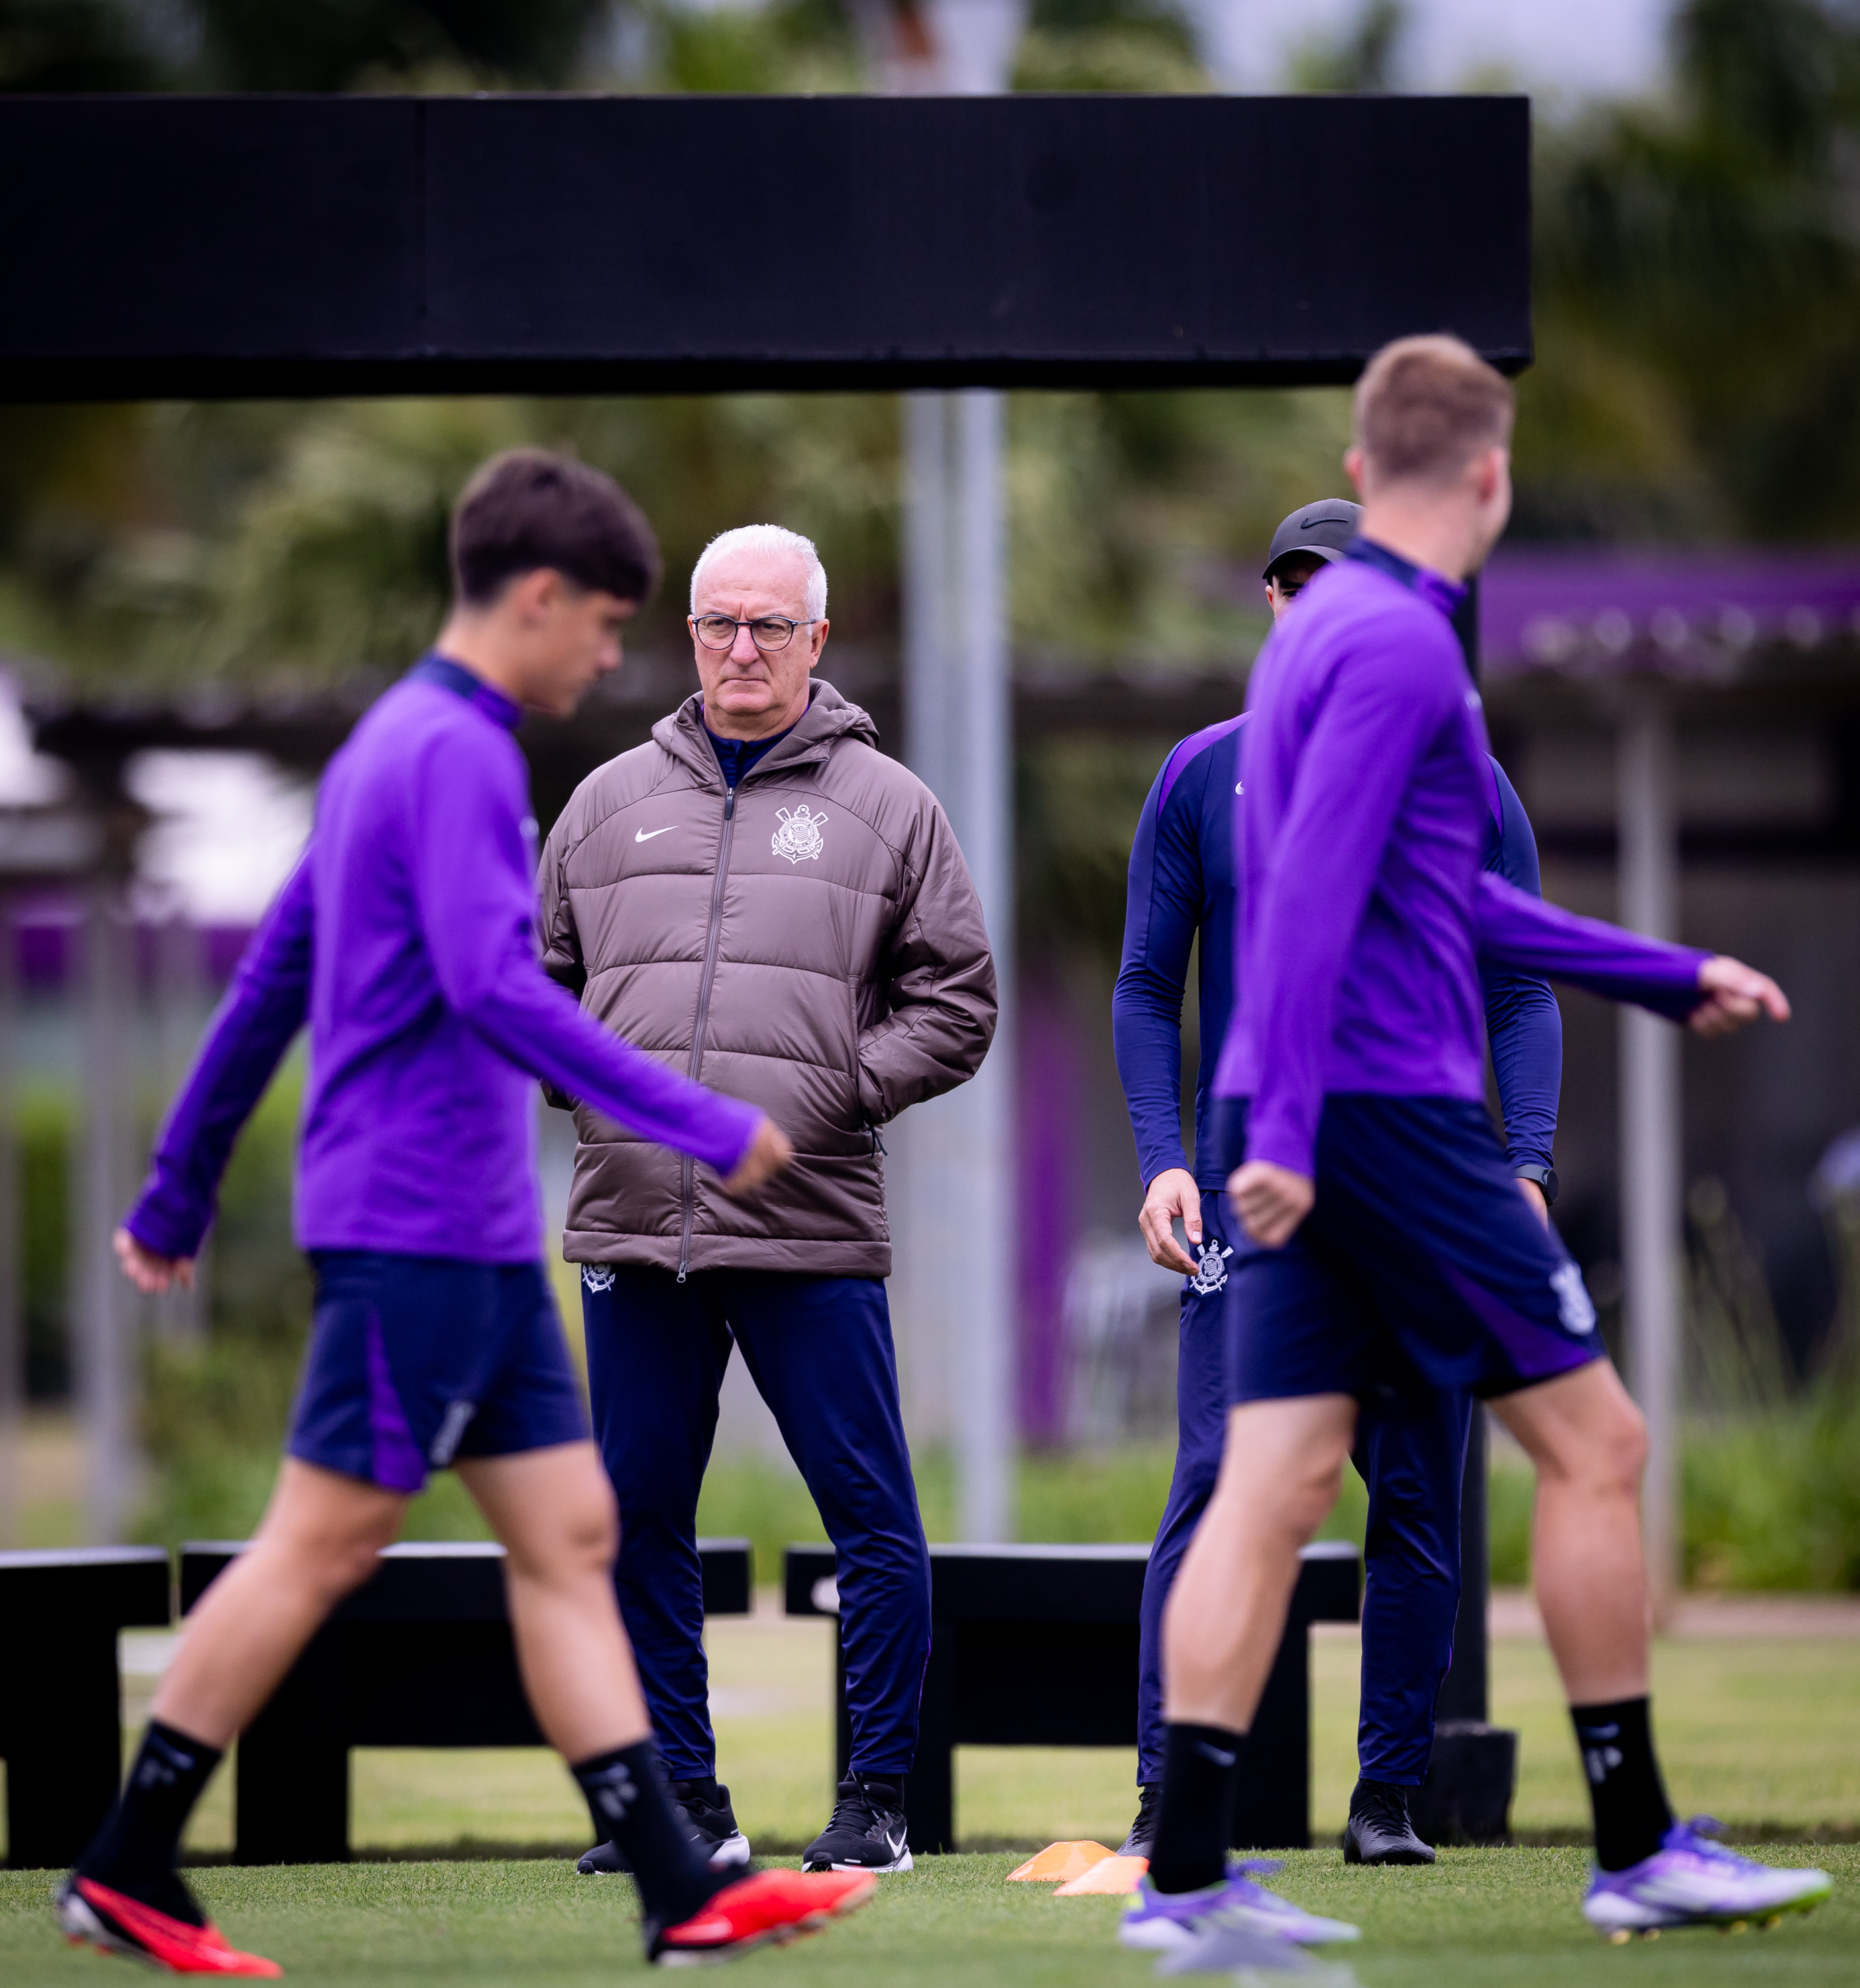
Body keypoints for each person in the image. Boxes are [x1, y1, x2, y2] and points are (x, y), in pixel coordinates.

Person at [65, 452, 876, 1974]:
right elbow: (495, 990)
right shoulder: (450, 757)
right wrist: (702, 1118)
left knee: (571, 1539)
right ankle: (125, 1860)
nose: (616, 656)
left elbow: (273, 979)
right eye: (613, 623)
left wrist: (178, 1185)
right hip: (414, 1229)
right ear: (541, 597)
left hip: (481, 1242)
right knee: (322, 1541)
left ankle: (673, 1887)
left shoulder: (393, 747)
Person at [1121, 336, 1833, 1952]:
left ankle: (1183, 1877)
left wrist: (1658, 973)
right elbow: (1303, 900)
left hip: (1296, 1110)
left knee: (1274, 1479)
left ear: (1368, 475)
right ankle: (1640, 1841)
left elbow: (1437, 891)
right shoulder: (1400, 648)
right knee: (1602, 1451)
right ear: (1495, 478)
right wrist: (1298, 1125)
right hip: (1381, 1116)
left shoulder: (1305, 654)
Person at [539, 523, 995, 1879]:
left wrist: (839, 1091)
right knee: (635, 1524)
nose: (744, 649)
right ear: (689, 636)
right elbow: (536, 985)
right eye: (720, 624)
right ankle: (682, 1804)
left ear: (818, 639)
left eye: (771, 628)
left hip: (809, 1220)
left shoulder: (890, 807)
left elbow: (958, 1001)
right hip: (632, 1221)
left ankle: (874, 1808)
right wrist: (601, 1097)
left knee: (873, 1521)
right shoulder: (605, 801)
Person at [1113, 494, 1562, 1869]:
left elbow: (1523, 986)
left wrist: (1527, 1164)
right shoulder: (1205, 773)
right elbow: (1145, 987)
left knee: (1420, 1498)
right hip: (1256, 1196)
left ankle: (1384, 1806)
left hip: (1424, 1194)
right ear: (1273, 607)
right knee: (1214, 1486)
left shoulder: (1470, 781)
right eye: (1300, 586)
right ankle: (1171, 1809)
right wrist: (1162, 1159)